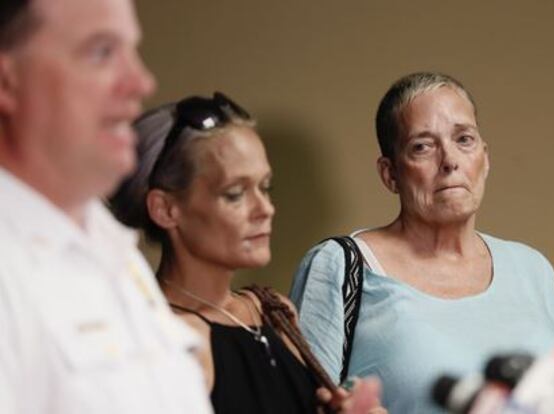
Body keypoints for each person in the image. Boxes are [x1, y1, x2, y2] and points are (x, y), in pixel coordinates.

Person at [290, 72, 554, 414]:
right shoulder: (341, 266)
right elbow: (297, 405)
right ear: (390, 174)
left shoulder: (533, 269)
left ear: (485, 157)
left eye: (463, 139)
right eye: (422, 146)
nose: (450, 161)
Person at [110, 93, 386, 414]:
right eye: (235, 194)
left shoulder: (272, 311)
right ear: (166, 209)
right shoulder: (167, 341)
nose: (265, 209)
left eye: (265, 187)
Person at [0, 0, 213, 413]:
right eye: (102, 52)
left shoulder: (110, 248)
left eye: (132, 51)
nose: (141, 81)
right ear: (8, 83)